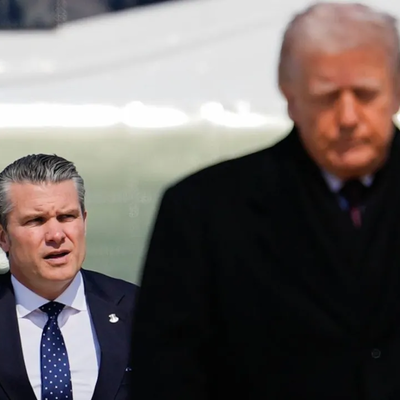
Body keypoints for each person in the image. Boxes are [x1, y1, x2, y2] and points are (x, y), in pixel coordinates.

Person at [130, 2, 400, 399]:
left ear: (395, 90)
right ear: (290, 97)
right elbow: (164, 376)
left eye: (365, 94)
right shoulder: (203, 212)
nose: (348, 117)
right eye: (327, 97)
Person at [0, 154, 138, 400]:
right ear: (3, 238)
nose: (56, 234)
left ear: (84, 222)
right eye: (36, 220)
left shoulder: (139, 309)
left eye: (67, 217)